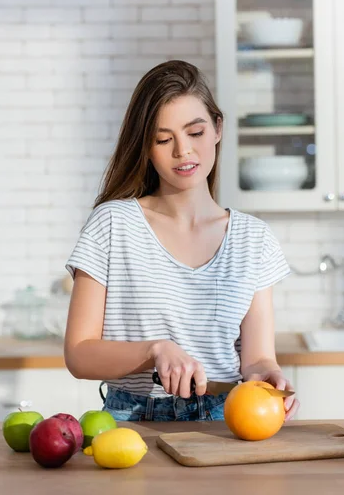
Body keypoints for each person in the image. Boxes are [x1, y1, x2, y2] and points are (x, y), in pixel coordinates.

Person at [64, 59, 300, 422]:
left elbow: (256, 358)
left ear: (218, 129)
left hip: (228, 420)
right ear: (146, 147)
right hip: (132, 420)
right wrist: (155, 351)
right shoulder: (112, 224)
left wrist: (266, 375)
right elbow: (78, 354)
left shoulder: (254, 239)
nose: (183, 151)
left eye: (196, 132)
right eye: (163, 139)